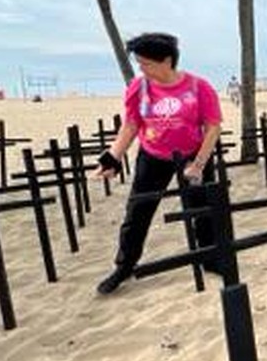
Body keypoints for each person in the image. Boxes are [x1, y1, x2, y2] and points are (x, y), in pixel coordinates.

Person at [93, 33, 223, 295]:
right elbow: (131, 125)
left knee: (203, 210)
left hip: (193, 156)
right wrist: (113, 157)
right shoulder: (139, 87)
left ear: (167, 61)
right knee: (137, 211)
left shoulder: (199, 87)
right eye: (139, 63)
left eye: (146, 63)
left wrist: (198, 164)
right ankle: (125, 265)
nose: (141, 68)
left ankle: (210, 258)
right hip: (153, 156)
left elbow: (213, 128)